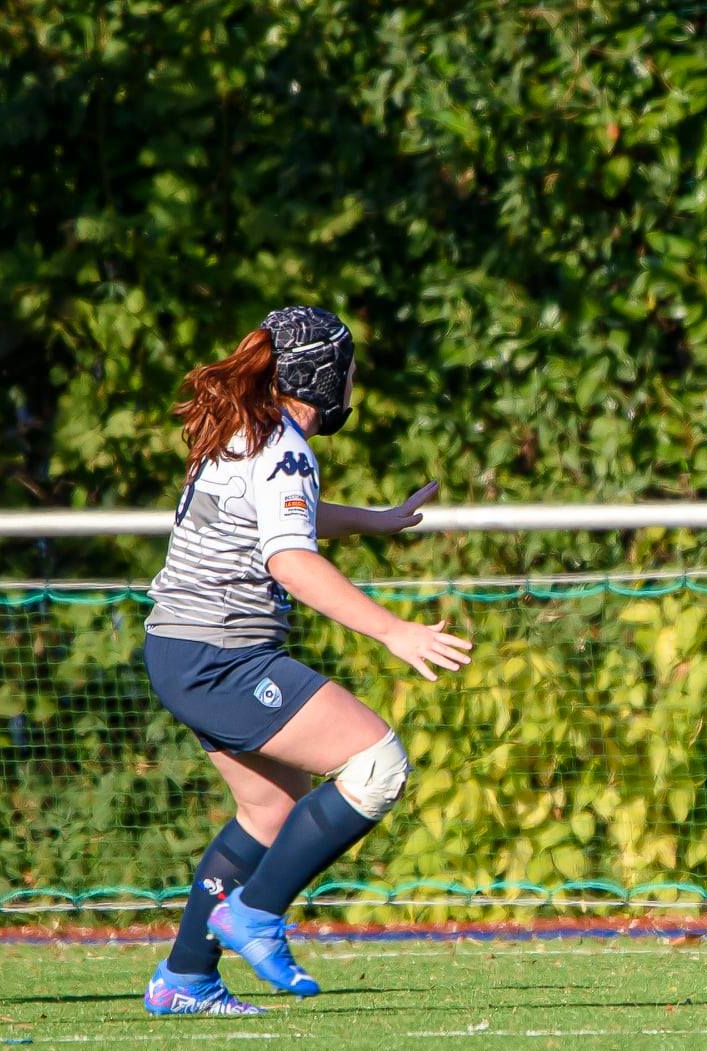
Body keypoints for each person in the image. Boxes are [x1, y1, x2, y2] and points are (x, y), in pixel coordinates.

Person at [141, 306, 471, 1015]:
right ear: (326, 376)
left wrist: (374, 520)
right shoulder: (283, 446)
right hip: (219, 656)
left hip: (179, 648)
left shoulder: (243, 428)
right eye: (349, 368)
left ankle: (185, 977)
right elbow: (288, 558)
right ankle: (255, 913)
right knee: (377, 764)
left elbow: (286, 514)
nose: (354, 381)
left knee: (268, 808)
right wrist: (394, 631)